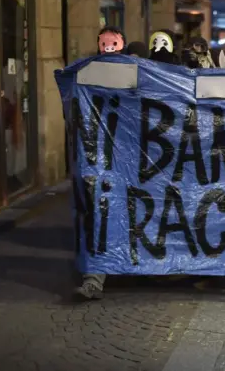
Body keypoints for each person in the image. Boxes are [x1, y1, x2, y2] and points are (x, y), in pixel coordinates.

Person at [74, 26, 127, 301]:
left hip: (131, 164)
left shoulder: (140, 73)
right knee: (100, 216)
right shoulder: (87, 73)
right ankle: (94, 277)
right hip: (101, 162)